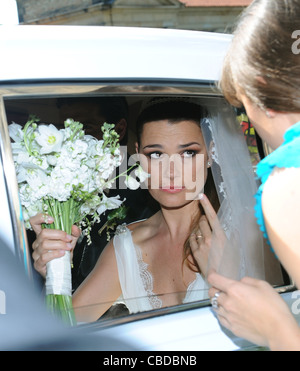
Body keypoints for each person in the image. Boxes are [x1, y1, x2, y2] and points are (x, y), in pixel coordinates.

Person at [30, 97, 266, 322]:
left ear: (210, 154)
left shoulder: (247, 230)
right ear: (138, 155)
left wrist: (226, 275)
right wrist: (55, 273)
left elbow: (276, 327)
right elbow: (60, 332)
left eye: (188, 153)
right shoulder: (126, 246)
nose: (170, 172)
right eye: (156, 154)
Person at [208, 0, 300, 351]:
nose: (253, 128)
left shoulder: (289, 184)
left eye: (245, 112)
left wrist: (273, 328)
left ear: (264, 93)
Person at [30, 97, 156, 297]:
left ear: (119, 130)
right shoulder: (56, 185)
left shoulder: (148, 191)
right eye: (65, 129)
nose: (71, 140)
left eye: (85, 128)